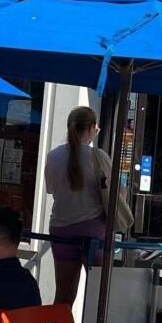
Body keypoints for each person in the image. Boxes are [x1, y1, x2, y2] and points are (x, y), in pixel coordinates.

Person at [44, 106, 109, 308]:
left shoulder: (53, 156)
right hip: (93, 231)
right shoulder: (98, 157)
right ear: (91, 128)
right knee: (99, 296)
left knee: (63, 296)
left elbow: (51, 189)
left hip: (61, 229)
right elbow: (118, 195)